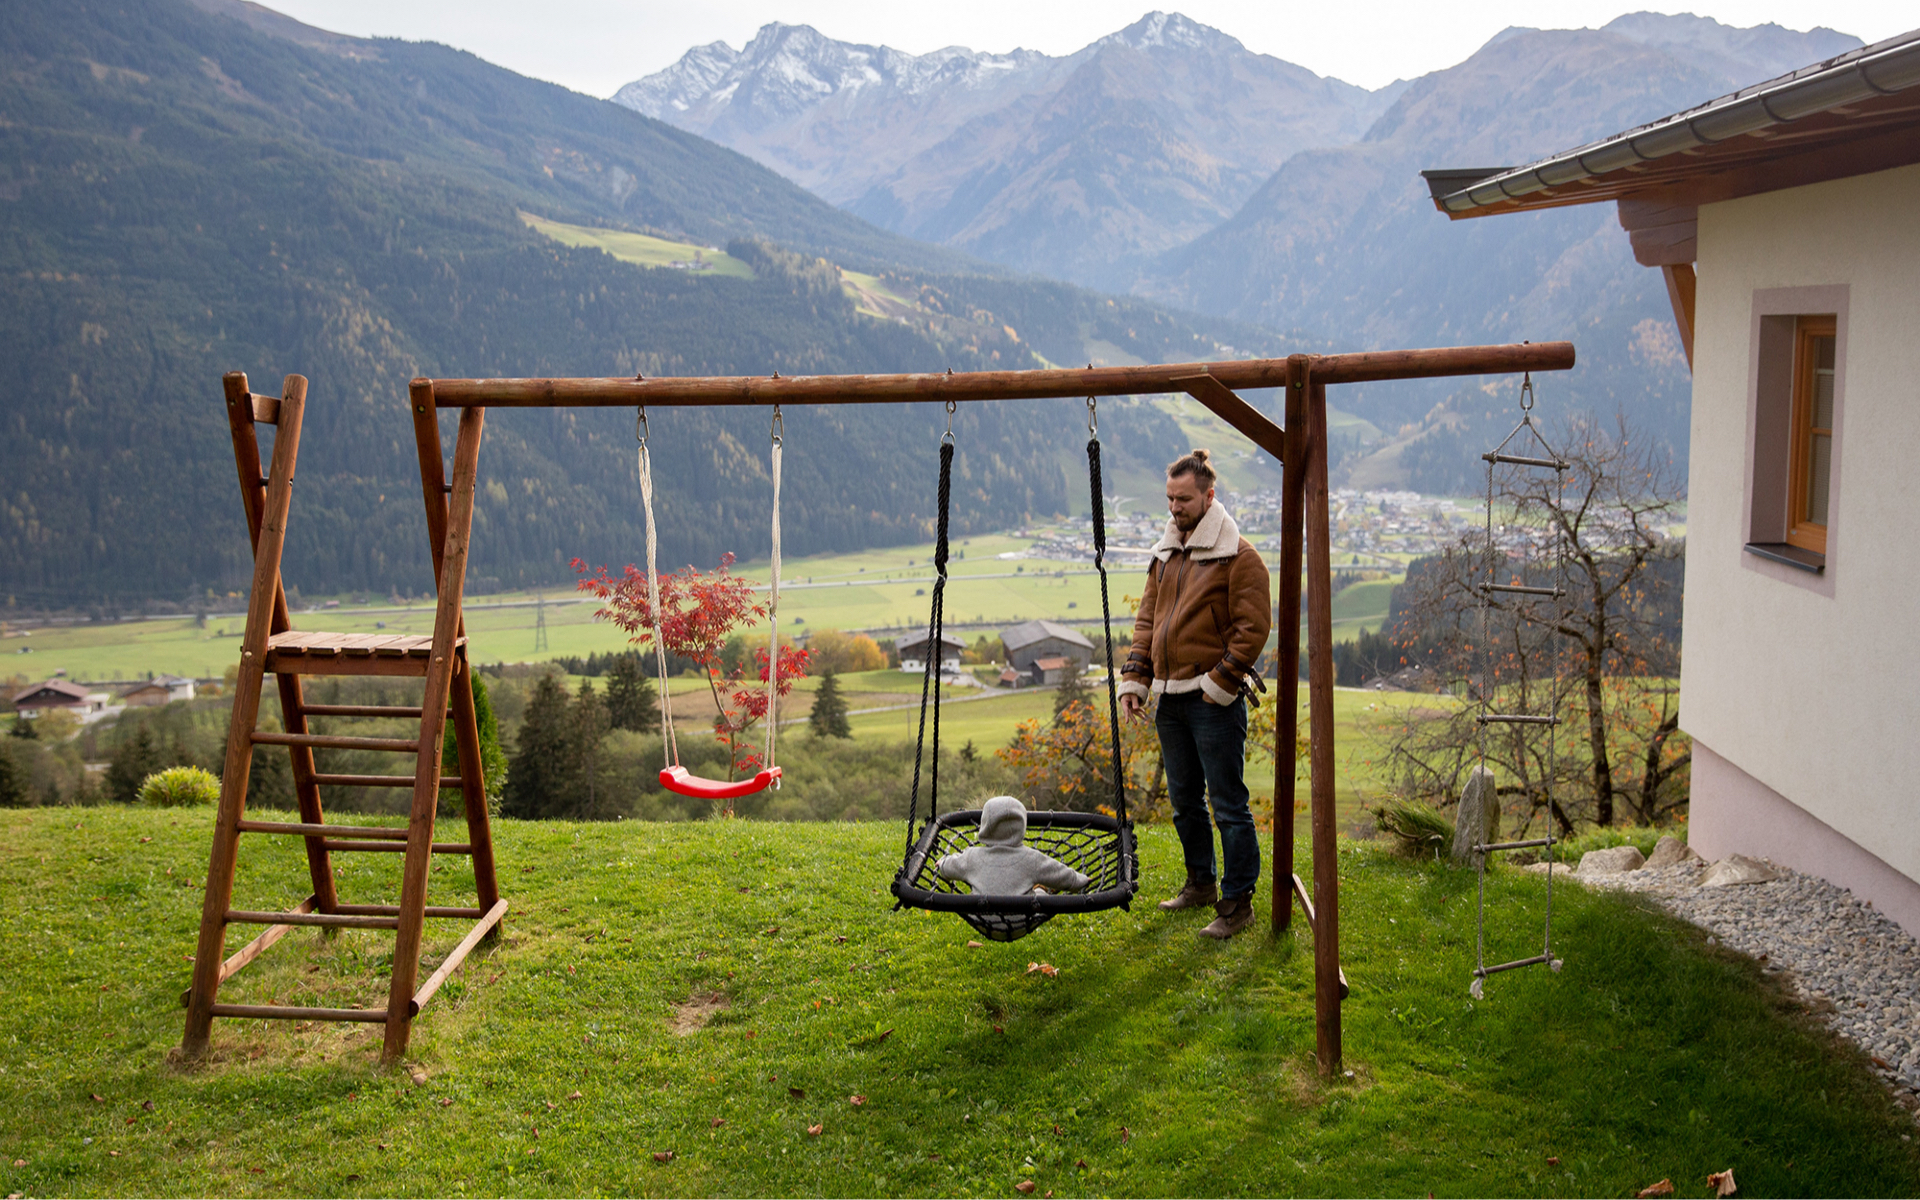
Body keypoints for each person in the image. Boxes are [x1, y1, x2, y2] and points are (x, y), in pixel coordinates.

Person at [1117, 449, 1272, 939]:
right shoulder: (1164, 554)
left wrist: (1218, 684)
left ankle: (1237, 904)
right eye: (1169, 498)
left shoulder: (1239, 555)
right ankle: (1200, 884)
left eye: (1183, 499)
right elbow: (1148, 622)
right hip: (1168, 697)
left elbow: (1253, 627)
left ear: (1209, 496)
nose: (1174, 508)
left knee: (1228, 804)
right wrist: (1135, 680)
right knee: (1184, 801)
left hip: (1211, 701)